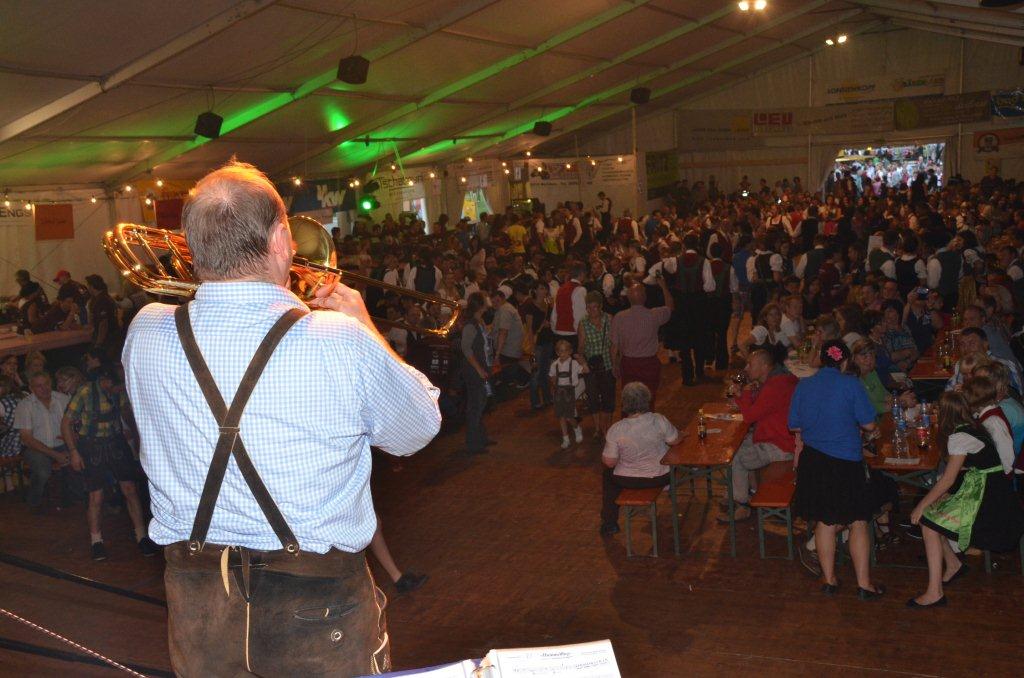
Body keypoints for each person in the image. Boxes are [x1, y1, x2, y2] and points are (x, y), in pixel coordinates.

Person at [122, 161, 441, 676]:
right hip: (318, 609)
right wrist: (366, 327)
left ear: (190, 247)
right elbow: (417, 429)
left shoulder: (145, 331)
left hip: (200, 612)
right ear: (278, 241)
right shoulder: (339, 339)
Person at [908, 391, 1024, 608]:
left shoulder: (959, 438)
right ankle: (953, 565)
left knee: (928, 522)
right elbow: (970, 467)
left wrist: (921, 506)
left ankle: (935, 592)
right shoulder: (975, 427)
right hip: (994, 492)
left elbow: (948, 479)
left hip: (991, 503)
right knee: (933, 516)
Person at [789, 340, 885, 600]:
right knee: (858, 520)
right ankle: (864, 585)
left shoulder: (805, 384)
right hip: (845, 462)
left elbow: (794, 425)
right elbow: (868, 424)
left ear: (822, 359)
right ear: (845, 361)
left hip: (813, 461)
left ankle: (829, 580)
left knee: (825, 521)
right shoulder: (850, 384)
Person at [61, 364, 156, 560]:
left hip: (116, 443)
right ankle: (96, 541)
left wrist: (138, 438)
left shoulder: (118, 392)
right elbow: (66, 423)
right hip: (91, 445)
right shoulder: (85, 392)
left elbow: (127, 414)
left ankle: (141, 536)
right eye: (117, 385)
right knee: (96, 496)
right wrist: (74, 452)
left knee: (130, 489)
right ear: (106, 381)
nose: (119, 389)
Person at [722, 349, 798, 521]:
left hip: (781, 446)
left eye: (750, 364)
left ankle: (741, 504)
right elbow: (758, 408)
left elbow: (750, 416)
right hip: (784, 438)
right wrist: (742, 395)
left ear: (764, 366)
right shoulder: (780, 379)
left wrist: (744, 393)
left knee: (735, 456)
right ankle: (747, 491)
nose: (746, 368)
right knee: (738, 443)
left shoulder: (775, 386)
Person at [599, 382, 681, 536]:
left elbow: (609, 462)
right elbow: (675, 441)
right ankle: (670, 493)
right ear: (647, 399)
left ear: (624, 403)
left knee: (607, 476)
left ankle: (610, 523)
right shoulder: (659, 420)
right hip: (660, 476)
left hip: (628, 479)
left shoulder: (616, 429)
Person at [14, 372, 70, 513]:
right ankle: (34, 501)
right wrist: (55, 455)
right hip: (35, 448)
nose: (44, 388)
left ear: (51, 383)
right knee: (43, 471)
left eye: (46, 384)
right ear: (31, 388)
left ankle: (74, 497)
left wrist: (72, 445)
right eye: (39, 386)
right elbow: (27, 438)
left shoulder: (63, 399)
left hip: (63, 444)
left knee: (81, 459)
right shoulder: (25, 405)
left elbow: (75, 425)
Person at [611, 281, 672, 407]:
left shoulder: (619, 317)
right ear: (645, 297)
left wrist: (614, 365)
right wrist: (664, 287)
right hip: (649, 363)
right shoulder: (654, 314)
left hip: (628, 363)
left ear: (628, 298)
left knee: (629, 401)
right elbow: (670, 307)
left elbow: (614, 346)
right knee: (648, 399)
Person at [578, 291, 615, 439]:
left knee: (608, 398)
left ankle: (608, 427)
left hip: (607, 364)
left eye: (594, 307)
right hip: (592, 367)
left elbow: (614, 344)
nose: (591, 310)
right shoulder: (583, 323)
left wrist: (616, 364)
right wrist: (583, 363)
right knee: (593, 399)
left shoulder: (609, 319)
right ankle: (598, 428)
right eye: (589, 307)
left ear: (600, 307)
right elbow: (580, 349)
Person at [460, 291, 491, 456]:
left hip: (479, 368)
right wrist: (479, 369)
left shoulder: (478, 322)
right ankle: (473, 443)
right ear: (480, 306)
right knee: (475, 405)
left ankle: (481, 437)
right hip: (474, 371)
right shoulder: (471, 325)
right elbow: (466, 349)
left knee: (480, 402)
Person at [550, 339, 587, 449]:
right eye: (561, 351)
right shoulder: (554, 364)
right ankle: (565, 438)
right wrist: (553, 386)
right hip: (558, 392)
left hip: (569, 391)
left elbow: (586, 370)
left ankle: (577, 428)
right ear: (557, 352)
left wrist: (582, 362)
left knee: (570, 416)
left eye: (566, 351)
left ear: (570, 351)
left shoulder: (574, 364)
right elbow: (552, 377)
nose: (564, 354)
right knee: (561, 416)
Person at [84, 274, 120, 359]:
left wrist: (98, 344)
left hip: (107, 339)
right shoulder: (104, 298)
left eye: (88, 286)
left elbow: (103, 323)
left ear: (92, 286)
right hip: (111, 337)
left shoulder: (101, 301)